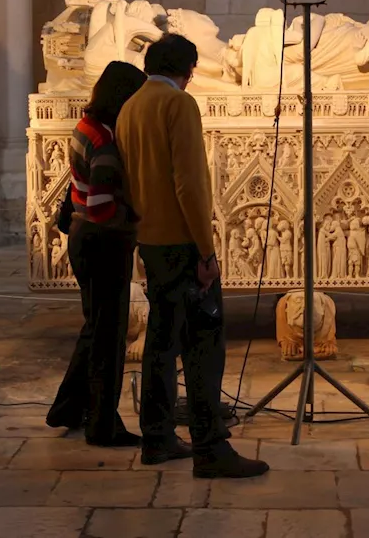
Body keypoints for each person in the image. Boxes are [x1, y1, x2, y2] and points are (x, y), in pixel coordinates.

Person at [116, 34, 270, 479]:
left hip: (150, 240)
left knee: (161, 344)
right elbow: (189, 184)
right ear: (188, 70)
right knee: (204, 344)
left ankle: (157, 438)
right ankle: (210, 447)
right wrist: (206, 249)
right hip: (182, 243)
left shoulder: (130, 107)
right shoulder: (178, 105)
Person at [45, 61, 149, 447]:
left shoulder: (86, 127)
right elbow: (104, 207)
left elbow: (78, 196)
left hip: (85, 240)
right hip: (104, 243)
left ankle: (68, 408)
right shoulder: (104, 140)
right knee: (109, 337)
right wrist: (138, 219)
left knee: (95, 330)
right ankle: (103, 424)